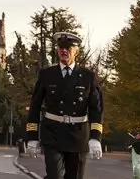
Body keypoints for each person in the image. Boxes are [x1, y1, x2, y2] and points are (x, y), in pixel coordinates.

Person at [25, 32, 103, 179]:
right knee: (54, 176)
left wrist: (95, 137)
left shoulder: (88, 77)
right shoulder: (47, 74)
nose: (64, 50)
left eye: (68, 47)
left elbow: (96, 109)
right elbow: (35, 107)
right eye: (61, 47)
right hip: (53, 134)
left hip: (78, 136)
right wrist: (32, 137)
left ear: (77, 51)